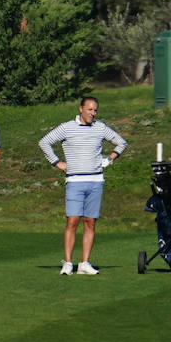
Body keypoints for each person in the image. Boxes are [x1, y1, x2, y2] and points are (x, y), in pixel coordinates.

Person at [38, 96, 127, 275]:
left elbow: (121, 142)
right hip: (74, 181)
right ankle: (68, 263)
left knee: (90, 222)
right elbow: (44, 142)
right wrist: (57, 163)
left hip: (95, 181)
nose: (93, 113)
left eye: (95, 110)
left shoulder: (100, 127)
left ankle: (84, 263)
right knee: (72, 221)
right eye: (90, 109)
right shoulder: (67, 127)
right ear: (81, 109)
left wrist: (110, 159)